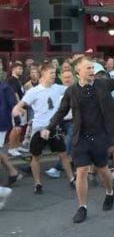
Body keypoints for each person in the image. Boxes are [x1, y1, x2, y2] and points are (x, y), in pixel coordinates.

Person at [43, 56, 114, 223]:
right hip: (81, 137)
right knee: (81, 171)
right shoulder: (71, 91)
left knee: (102, 170)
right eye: (88, 69)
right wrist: (48, 127)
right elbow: (61, 112)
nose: (92, 72)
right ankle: (82, 207)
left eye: (93, 69)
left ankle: (110, 192)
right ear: (78, 71)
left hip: (100, 135)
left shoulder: (103, 84)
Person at [12, 64, 75, 194]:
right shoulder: (34, 91)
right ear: (44, 74)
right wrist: (17, 110)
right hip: (39, 128)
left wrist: (76, 80)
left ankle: (72, 179)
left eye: (54, 73)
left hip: (53, 127)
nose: (53, 75)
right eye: (51, 73)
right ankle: (37, 184)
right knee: (36, 156)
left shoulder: (57, 88)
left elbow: (72, 89)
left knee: (63, 154)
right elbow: (21, 104)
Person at [0, 80, 23, 187]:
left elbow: (14, 105)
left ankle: (13, 173)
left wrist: (18, 122)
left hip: (1, 123)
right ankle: (13, 173)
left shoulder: (5, 87)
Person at [6, 62, 26, 157]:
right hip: (15, 107)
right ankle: (11, 148)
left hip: (21, 107)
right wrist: (19, 106)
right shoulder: (12, 80)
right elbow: (15, 93)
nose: (21, 71)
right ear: (13, 69)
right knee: (16, 128)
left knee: (20, 127)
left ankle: (17, 146)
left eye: (21, 69)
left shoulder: (18, 80)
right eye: (19, 69)